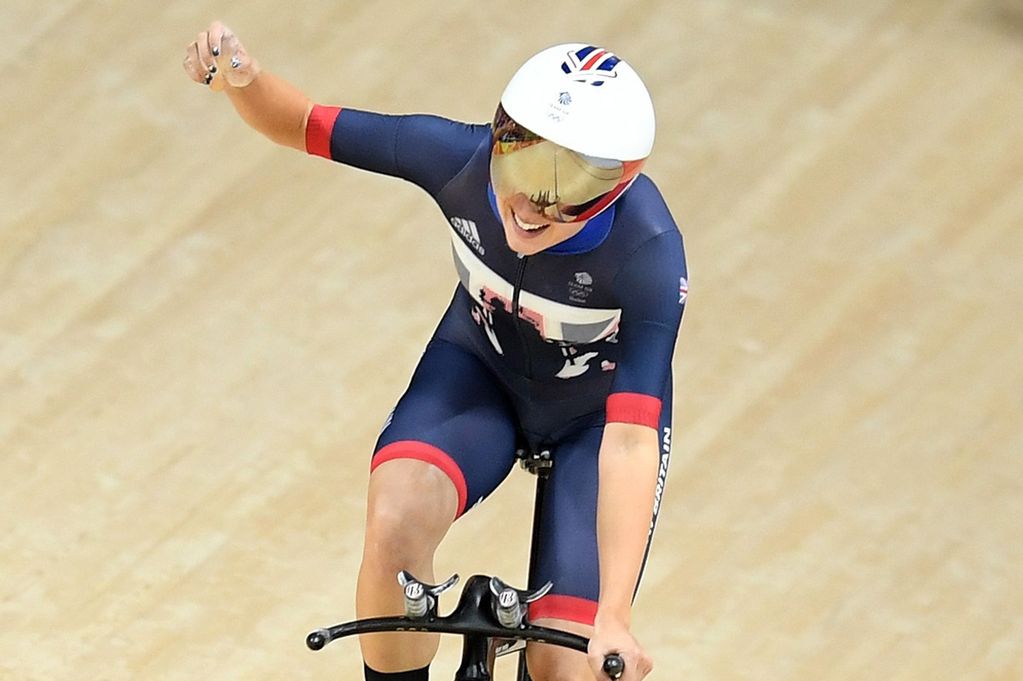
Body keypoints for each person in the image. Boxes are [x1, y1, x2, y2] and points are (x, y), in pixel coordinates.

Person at [183, 21, 687, 681]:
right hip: (477, 374)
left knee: (571, 666)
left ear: (620, 185)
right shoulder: (454, 155)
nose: (535, 204)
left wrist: (613, 616)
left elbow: (627, 442)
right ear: (497, 134)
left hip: (595, 425)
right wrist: (243, 81)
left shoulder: (648, 253)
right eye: (524, 162)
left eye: (570, 188)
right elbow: (301, 122)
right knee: (393, 525)